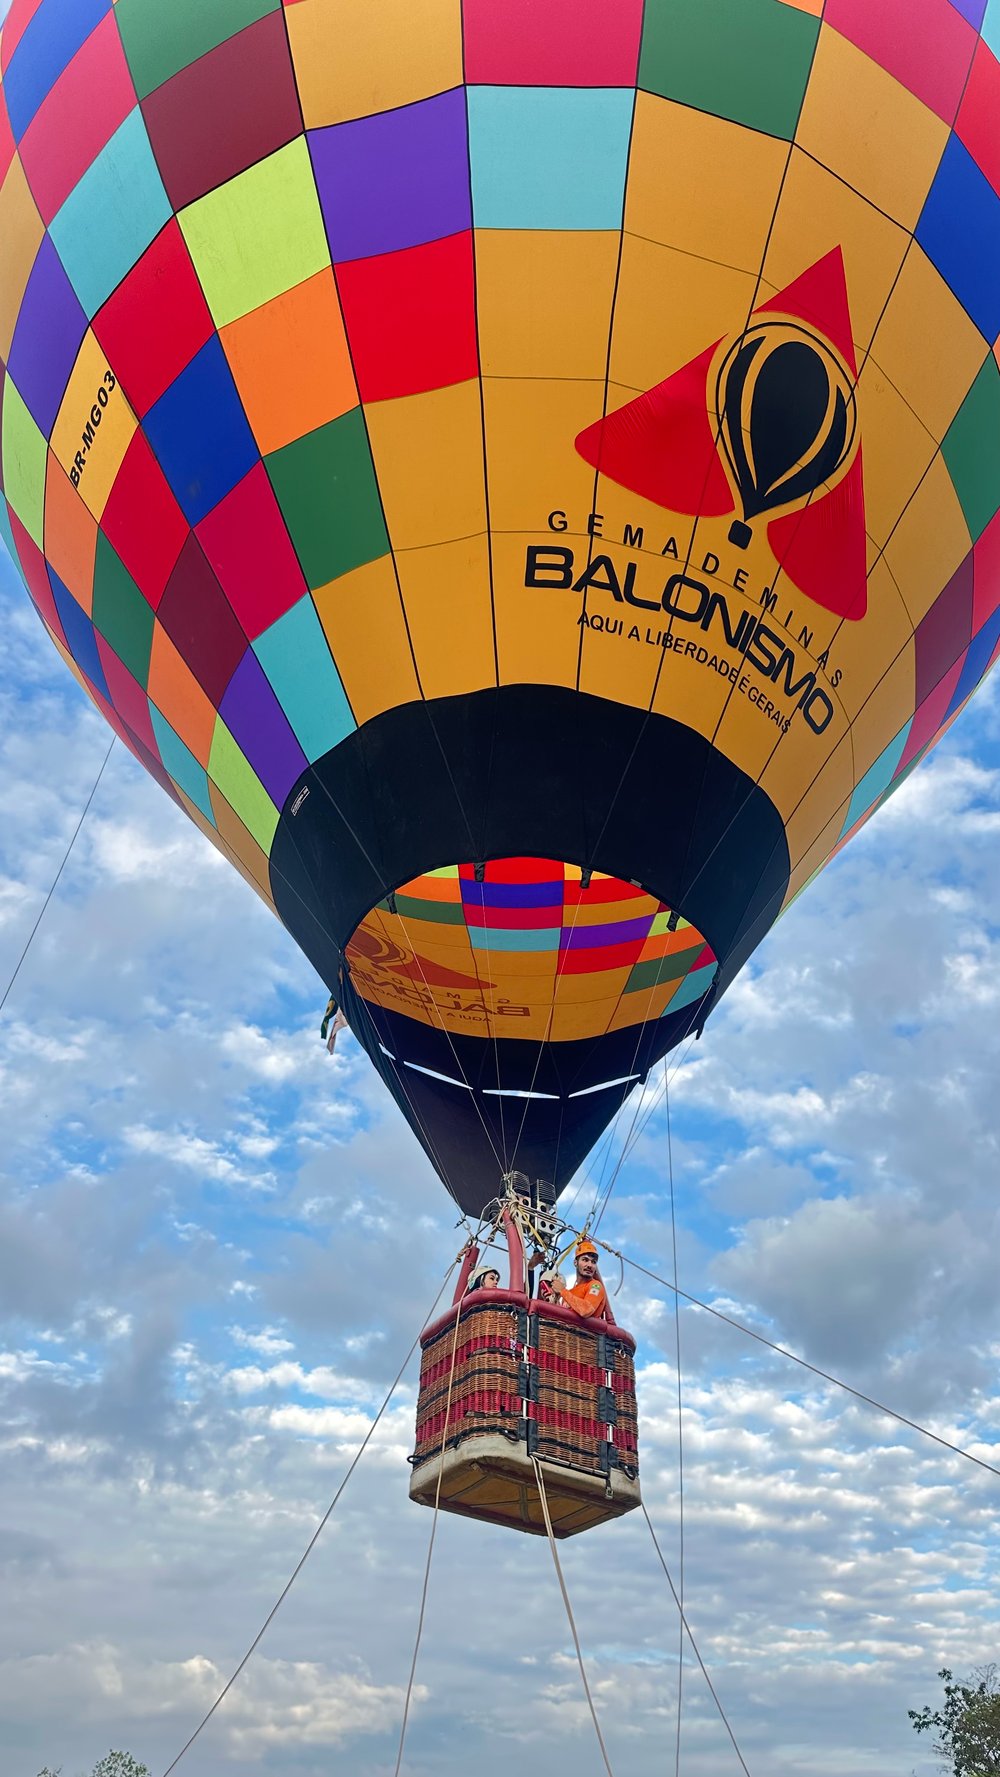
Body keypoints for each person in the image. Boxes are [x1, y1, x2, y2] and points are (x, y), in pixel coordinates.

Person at [543, 1240, 615, 1323]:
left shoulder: (595, 1286)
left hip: (584, 1334)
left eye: (593, 1262)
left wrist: (562, 1290)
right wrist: (553, 1301)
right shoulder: (570, 1293)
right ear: (575, 1262)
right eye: (585, 1260)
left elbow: (586, 1310)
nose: (589, 1265)